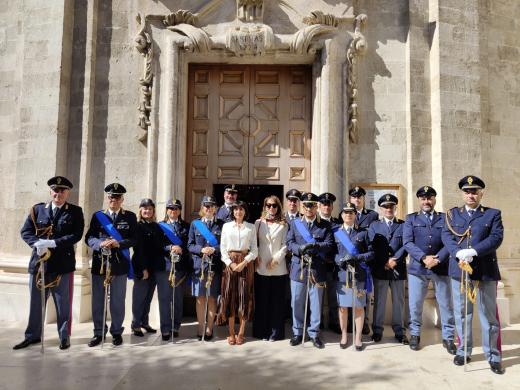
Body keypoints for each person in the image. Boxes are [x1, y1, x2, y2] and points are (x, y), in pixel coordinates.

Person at [442, 175, 505, 375]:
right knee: (462, 314)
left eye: (475, 191)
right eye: (467, 191)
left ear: (481, 193)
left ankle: (493, 356)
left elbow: (496, 237)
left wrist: (474, 251)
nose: (471, 194)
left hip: (485, 270)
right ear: (462, 193)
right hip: (460, 271)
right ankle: (463, 351)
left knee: (488, 316)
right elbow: (446, 235)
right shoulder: (452, 214)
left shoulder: (492, 214)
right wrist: (457, 252)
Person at [14, 176, 84, 350]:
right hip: (39, 265)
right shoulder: (37, 210)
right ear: (50, 191)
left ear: (67, 193)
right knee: (36, 303)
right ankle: (32, 336)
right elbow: (26, 231)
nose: (58, 194)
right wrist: (36, 243)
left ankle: (64, 336)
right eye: (55, 190)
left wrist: (53, 243)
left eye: (62, 191)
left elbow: (76, 235)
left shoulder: (75, 211)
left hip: (62, 266)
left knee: (63, 304)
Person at [403, 186, 456, 354]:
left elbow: (450, 241)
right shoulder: (411, 219)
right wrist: (424, 258)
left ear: (435, 199)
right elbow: (407, 242)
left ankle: (448, 337)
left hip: (441, 267)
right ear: (419, 200)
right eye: (423, 198)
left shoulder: (445, 218)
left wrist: (438, 258)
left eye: (429, 198)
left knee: (446, 304)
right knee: (415, 304)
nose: (426, 201)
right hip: (418, 267)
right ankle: (415, 334)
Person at [85, 183, 138, 347]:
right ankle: (98, 333)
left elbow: (134, 239)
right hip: (100, 264)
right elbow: (89, 238)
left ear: (122, 199)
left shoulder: (129, 216)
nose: (113, 199)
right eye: (110, 197)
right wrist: (100, 244)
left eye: (116, 197)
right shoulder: (98, 216)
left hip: (119, 264)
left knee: (117, 301)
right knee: (98, 301)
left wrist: (118, 243)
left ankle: (116, 332)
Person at [286, 192, 334, 349]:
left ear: (317, 206)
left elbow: (329, 244)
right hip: (298, 268)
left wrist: (316, 246)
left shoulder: (325, 225)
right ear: (302, 206)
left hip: (317, 269)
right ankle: (298, 332)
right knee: (296, 302)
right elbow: (289, 243)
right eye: (306, 205)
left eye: (312, 205)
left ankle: (314, 333)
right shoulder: (295, 223)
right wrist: (299, 249)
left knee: (316, 303)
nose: (309, 208)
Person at [368, 194, 408, 344]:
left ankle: (399, 332)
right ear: (381, 209)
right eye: (385, 206)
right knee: (379, 301)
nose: (388, 209)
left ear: (395, 208)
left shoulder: (403, 225)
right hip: (381, 269)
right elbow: (372, 246)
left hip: (398, 269)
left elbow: (407, 244)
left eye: (391, 206)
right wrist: (385, 261)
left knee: (399, 302)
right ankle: (377, 331)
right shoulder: (374, 225)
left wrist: (394, 260)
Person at [334, 202, 373, 350]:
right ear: (342, 215)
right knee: (343, 307)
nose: (348, 215)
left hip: (359, 276)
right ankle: (344, 335)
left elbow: (371, 253)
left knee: (358, 307)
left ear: (355, 215)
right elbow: (333, 254)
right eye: (346, 212)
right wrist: (340, 260)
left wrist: (358, 258)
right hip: (343, 275)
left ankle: (358, 337)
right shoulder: (336, 233)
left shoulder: (363, 233)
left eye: (351, 212)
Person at [218, 200, 258, 345]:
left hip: (245, 264)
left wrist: (244, 262)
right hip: (229, 264)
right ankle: (231, 333)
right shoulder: (226, 226)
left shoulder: (251, 227)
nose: (238, 212)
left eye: (241, 209)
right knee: (230, 296)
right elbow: (222, 248)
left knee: (244, 297)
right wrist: (231, 263)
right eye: (236, 209)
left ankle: (241, 332)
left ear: (245, 212)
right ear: (232, 212)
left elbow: (255, 250)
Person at [253, 196, 288, 341]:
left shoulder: (284, 224)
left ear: (278, 207)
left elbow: (286, 244)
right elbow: (253, 243)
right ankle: (262, 332)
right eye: (268, 205)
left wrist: (276, 259)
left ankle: (275, 333)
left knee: (277, 302)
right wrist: (255, 256)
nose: (271, 208)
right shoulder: (258, 223)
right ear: (264, 207)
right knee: (262, 301)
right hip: (261, 267)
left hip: (278, 268)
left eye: (274, 206)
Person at [188, 195, 222, 340]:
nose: (209, 208)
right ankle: (200, 328)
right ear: (202, 208)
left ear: (215, 208)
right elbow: (189, 245)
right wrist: (201, 249)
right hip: (199, 267)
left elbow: (225, 245)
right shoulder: (195, 224)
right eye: (206, 206)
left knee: (212, 298)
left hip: (214, 266)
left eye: (211, 206)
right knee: (200, 298)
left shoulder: (221, 225)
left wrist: (214, 249)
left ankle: (209, 328)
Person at [158, 198, 190, 340]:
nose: (173, 211)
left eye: (176, 208)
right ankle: (165, 328)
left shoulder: (186, 226)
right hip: (164, 267)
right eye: (170, 208)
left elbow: (190, 244)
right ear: (167, 210)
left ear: (180, 211)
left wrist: (181, 249)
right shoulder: (160, 226)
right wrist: (170, 247)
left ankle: (175, 326)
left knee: (177, 299)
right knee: (164, 299)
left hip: (180, 268)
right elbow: (157, 245)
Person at [349, 186, 379, 335]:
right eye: (354, 197)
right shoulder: (345, 213)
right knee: (349, 292)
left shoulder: (372, 215)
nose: (357, 199)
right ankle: (350, 323)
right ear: (350, 199)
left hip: (365, 262)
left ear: (363, 199)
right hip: (349, 262)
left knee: (365, 294)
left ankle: (365, 322)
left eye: (359, 196)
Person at [131, 198, 160, 338]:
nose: (147, 211)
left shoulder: (155, 226)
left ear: (153, 211)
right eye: (144, 209)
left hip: (153, 268)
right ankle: (135, 324)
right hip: (142, 267)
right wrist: (143, 269)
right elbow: (139, 249)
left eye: (149, 208)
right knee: (139, 298)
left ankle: (144, 322)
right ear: (140, 211)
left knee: (148, 298)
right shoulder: (137, 226)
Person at [318, 192, 341, 334]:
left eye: (329, 204)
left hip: (333, 266)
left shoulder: (338, 223)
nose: (326, 207)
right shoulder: (314, 222)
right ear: (319, 206)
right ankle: (317, 321)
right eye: (324, 204)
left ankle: (334, 322)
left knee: (334, 297)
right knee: (317, 296)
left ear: (332, 207)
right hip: (318, 265)